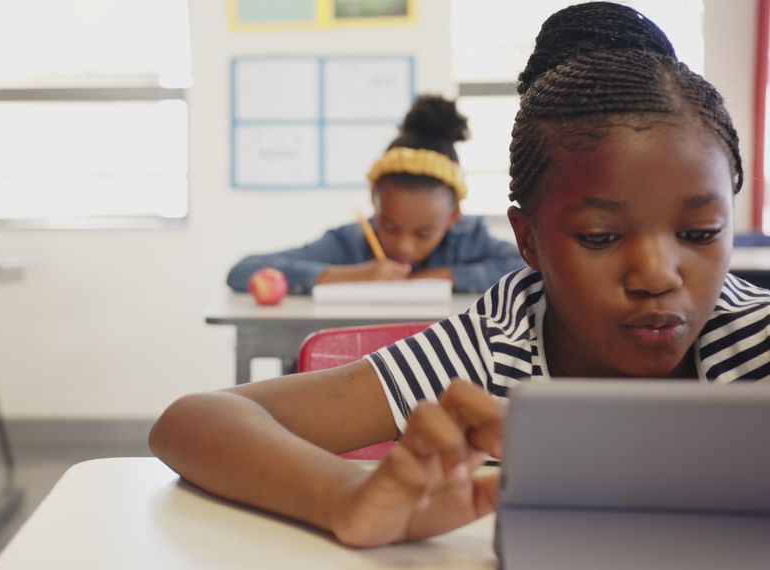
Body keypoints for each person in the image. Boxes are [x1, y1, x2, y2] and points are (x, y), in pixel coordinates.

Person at [150, 1, 770, 549]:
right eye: (600, 237)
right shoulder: (494, 347)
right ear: (528, 239)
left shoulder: (754, 335)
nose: (658, 275)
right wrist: (344, 498)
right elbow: (192, 421)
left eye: (699, 234)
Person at [226, 95, 524, 295]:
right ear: (374, 201)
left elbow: (527, 269)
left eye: (423, 233)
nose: (404, 246)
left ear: (453, 216)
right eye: (390, 227)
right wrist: (353, 275)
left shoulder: (469, 239)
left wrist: (444, 276)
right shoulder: (350, 243)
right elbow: (243, 271)